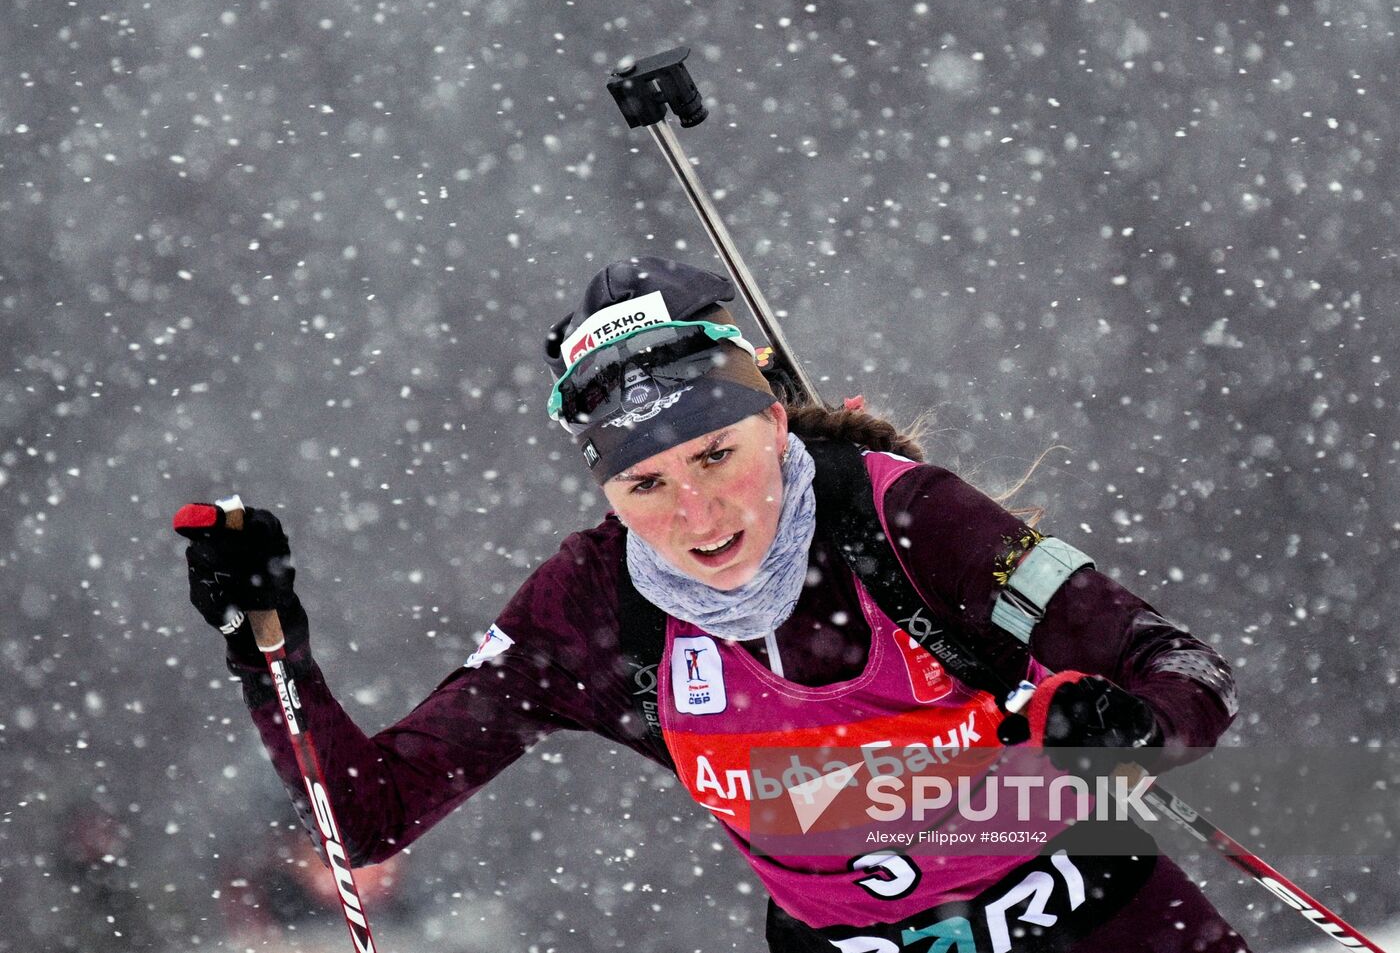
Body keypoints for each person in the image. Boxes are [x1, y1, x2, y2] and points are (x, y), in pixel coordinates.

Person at [176, 256, 1246, 952]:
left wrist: (1123, 732)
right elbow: (363, 817)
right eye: (643, 485)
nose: (696, 510)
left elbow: (1178, 668)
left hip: (1092, 917)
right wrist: (273, 654)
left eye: (716, 454)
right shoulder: (592, 604)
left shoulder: (905, 520)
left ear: (774, 422)